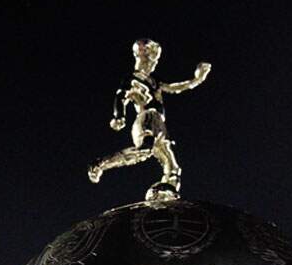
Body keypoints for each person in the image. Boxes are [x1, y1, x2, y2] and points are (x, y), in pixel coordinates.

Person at [88, 39, 211, 201]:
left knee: (171, 162)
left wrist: (198, 79)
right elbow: (121, 96)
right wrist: (119, 116)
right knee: (145, 150)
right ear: (141, 59)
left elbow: (175, 87)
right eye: (151, 60)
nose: (153, 64)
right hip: (145, 117)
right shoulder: (133, 79)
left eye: (155, 60)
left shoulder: (155, 81)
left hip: (159, 123)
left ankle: (166, 190)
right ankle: (101, 164)